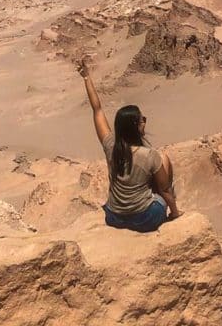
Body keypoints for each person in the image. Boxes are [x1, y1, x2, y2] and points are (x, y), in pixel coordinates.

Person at [76, 58, 180, 231]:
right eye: (142, 120)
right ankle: (168, 211)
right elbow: (166, 189)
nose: (145, 122)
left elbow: (97, 110)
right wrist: (175, 213)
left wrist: (86, 77)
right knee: (164, 160)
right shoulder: (149, 155)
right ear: (136, 127)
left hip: (114, 217)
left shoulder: (110, 146)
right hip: (145, 218)